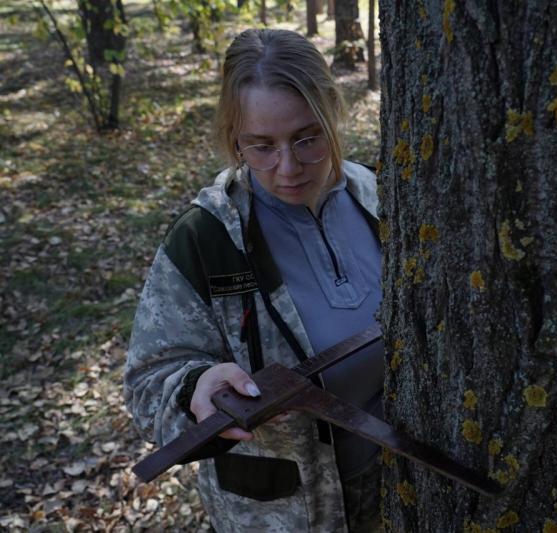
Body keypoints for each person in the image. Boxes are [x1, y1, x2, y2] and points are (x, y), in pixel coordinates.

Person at [124, 28, 384, 532]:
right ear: (233, 138)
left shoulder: (385, 197)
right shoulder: (206, 239)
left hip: (405, 503)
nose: (287, 167)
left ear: (333, 112)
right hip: (283, 518)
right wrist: (196, 389)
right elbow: (146, 387)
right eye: (260, 146)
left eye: (307, 138)